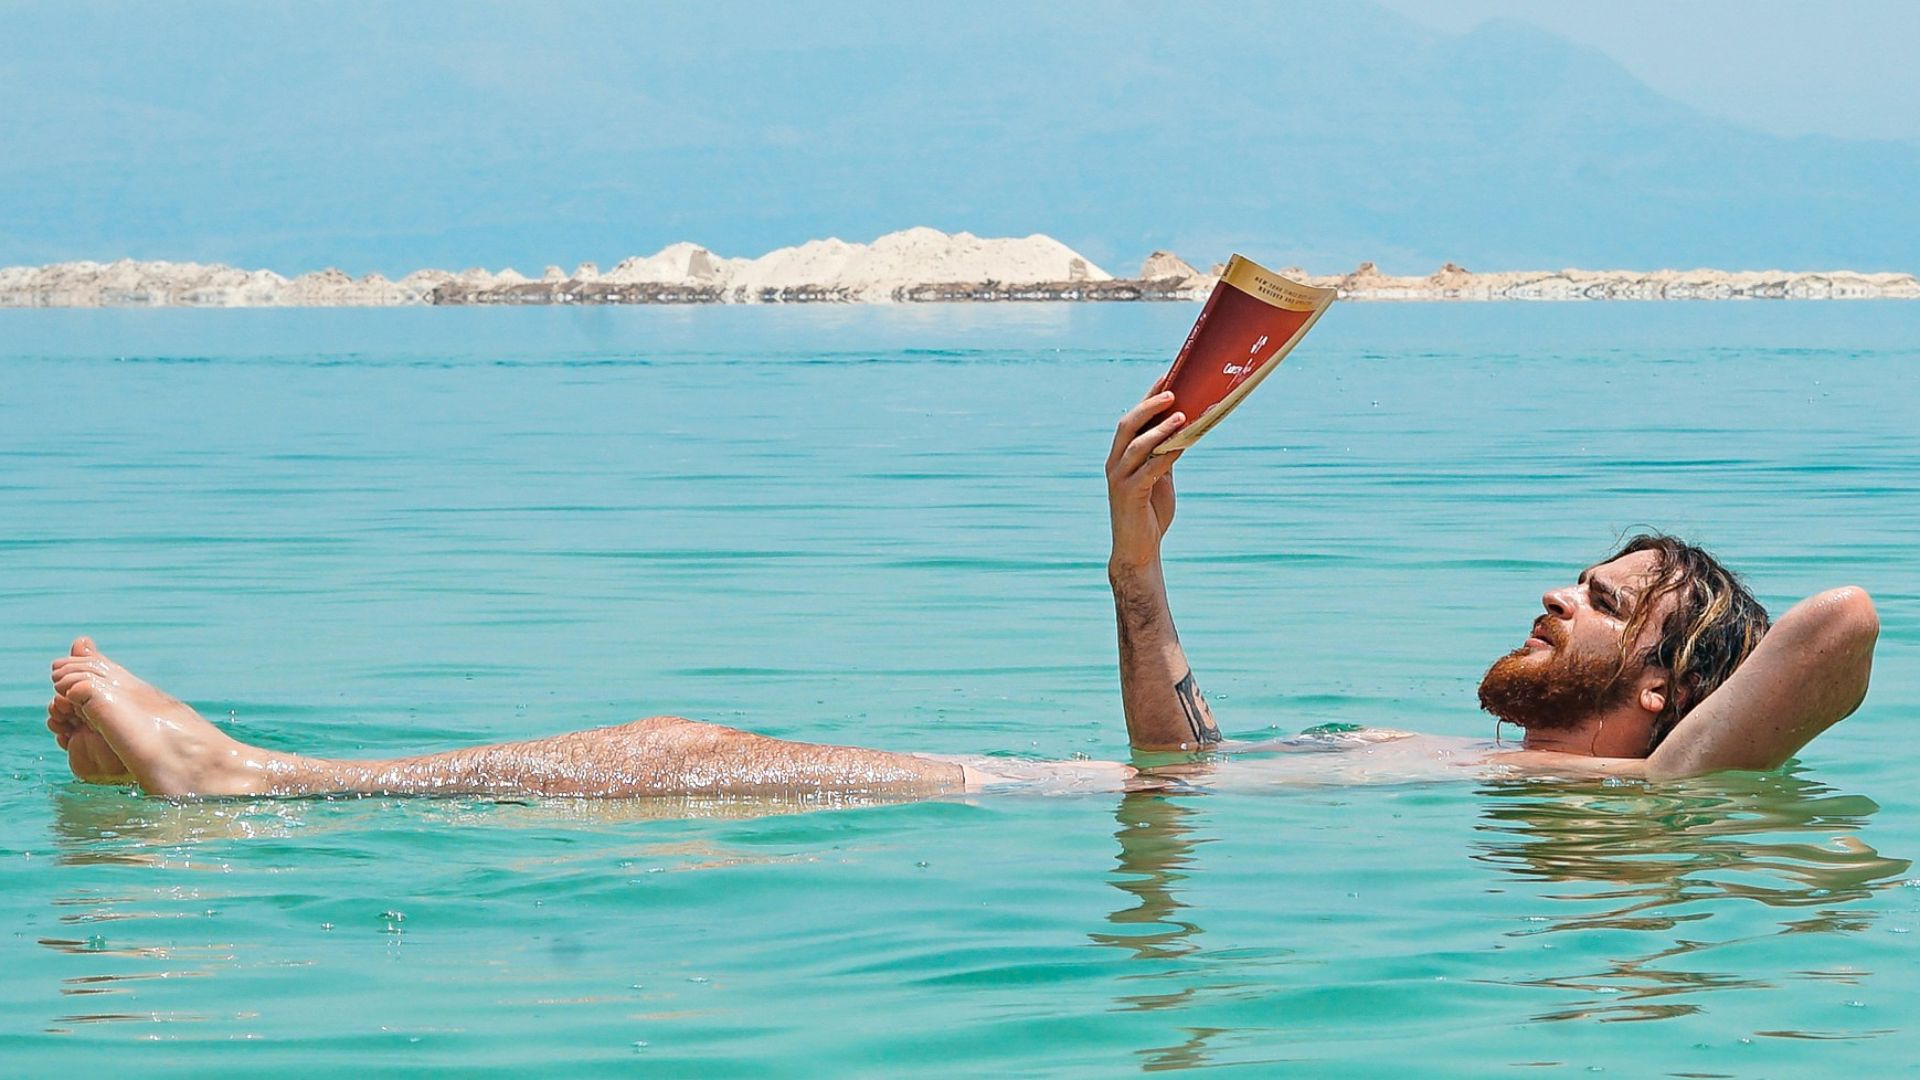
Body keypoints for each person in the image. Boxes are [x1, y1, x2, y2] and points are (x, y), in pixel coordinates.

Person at [43, 392, 1879, 800]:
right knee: (690, 759)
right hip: (1099, 804)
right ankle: (254, 783)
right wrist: (1135, 547)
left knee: (687, 755)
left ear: (1669, 677)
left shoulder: (1647, 798)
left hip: (1023, 815)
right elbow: (1186, 764)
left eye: (1604, 597)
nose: (1553, 593)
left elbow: (1842, 624)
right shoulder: (1537, 792)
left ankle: (250, 786)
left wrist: (1684, 739)